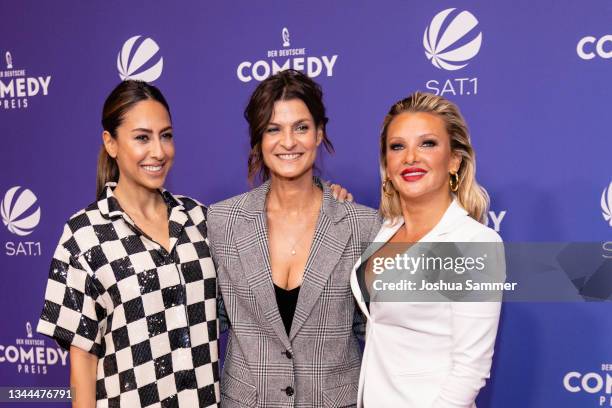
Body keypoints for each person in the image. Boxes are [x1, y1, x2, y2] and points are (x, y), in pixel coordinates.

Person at [37, 80, 220, 407]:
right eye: (142, 138)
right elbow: (82, 365)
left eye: (166, 135)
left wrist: (321, 199)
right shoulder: (84, 236)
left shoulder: (200, 219)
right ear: (111, 143)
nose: (159, 151)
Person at [207, 69, 381, 407]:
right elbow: (205, 322)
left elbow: (380, 334)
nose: (288, 142)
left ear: (319, 134)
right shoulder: (221, 222)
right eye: (274, 129)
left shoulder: (363, 226)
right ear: (258, 140)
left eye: (301, 127)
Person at [351, 92, 504, 407]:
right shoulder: (384, 230)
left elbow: (470, 369)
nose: (410, 158)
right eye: (397, 147)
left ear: (454, 161)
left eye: (427, 144)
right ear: (387, 165)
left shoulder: (475, 244)